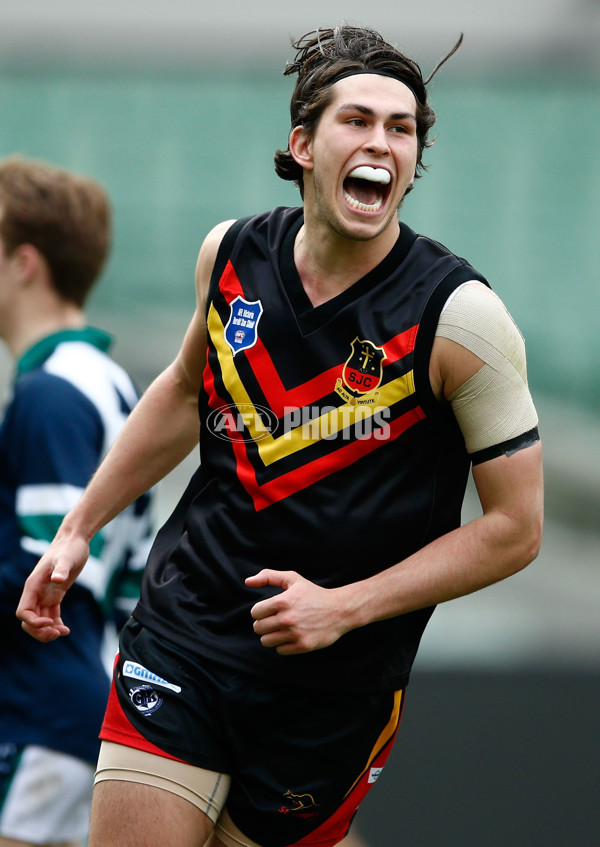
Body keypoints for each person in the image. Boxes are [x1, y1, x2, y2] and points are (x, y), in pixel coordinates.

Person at [16, 24, 543, 847]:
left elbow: (516, 528)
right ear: (302, 144)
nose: (381, 143)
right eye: (358, 121)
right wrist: (77, 528)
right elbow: (185, 391)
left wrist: (344, 607)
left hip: (334, 690)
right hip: (185, 631)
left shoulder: (462, 318)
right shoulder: (230, 255)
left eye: (401, 129)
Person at [0, 156, 154, 847]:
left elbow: (46, 571)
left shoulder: (52, 392)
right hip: (79, 698)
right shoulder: (104, 378)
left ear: (24, 262)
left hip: (41, 706)